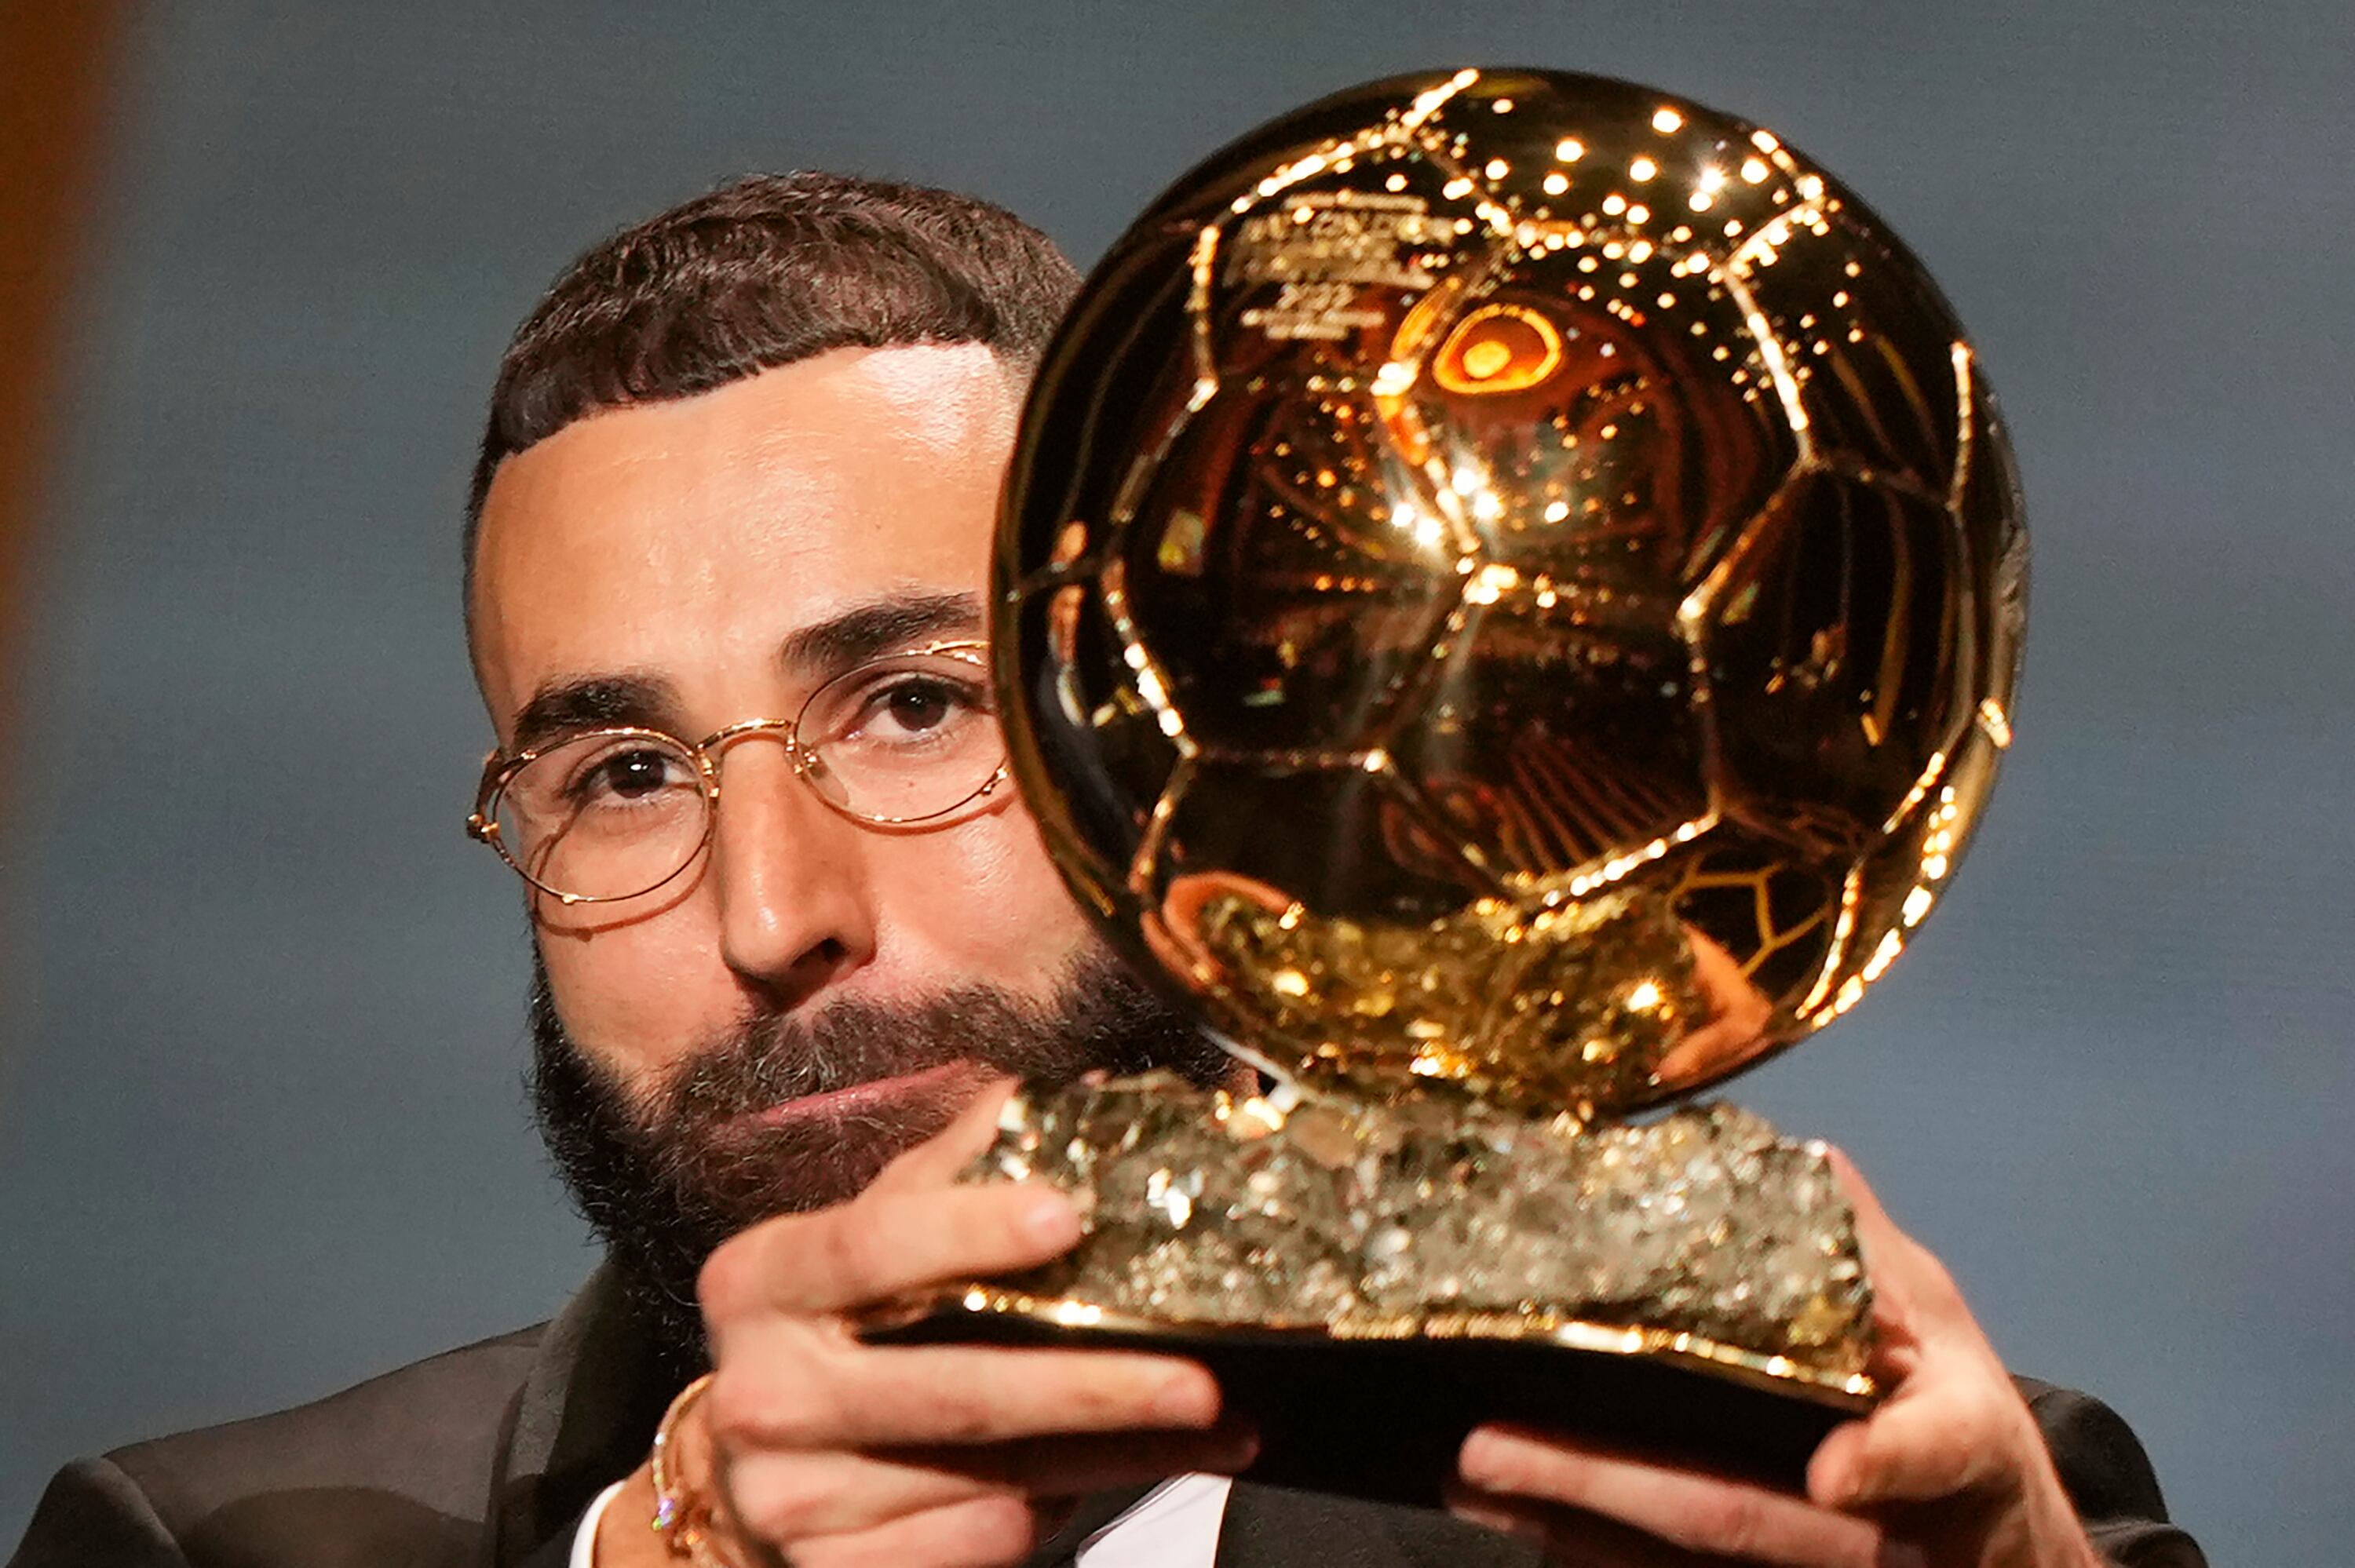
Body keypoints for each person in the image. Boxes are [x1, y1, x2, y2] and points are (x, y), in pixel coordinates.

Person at [9, 173, 2204, 1568]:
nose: (774, 922)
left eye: (914, 706)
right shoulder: (209, 1544)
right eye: (626, 772)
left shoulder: (1854, 1504)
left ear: (1192, 736)